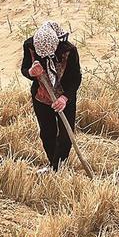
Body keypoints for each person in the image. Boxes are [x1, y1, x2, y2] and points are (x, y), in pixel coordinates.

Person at [21, 21, 81, 173]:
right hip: (41, 96)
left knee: (66, 136)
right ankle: (54, 166)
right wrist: (31, 73)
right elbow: (25, 68)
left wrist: (64, 98)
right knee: (47, 133)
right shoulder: (30, 45)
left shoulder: (69, 50)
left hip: (64, 98)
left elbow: (76, 78)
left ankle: (57, 168)